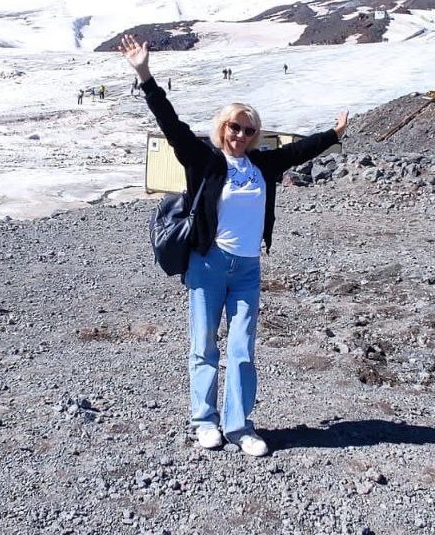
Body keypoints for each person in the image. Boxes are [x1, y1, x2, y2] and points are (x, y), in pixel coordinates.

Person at [121, 33, 348, 456]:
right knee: (204, 346)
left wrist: (333, 134)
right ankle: (204, 421)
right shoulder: (204, 159)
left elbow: (298, 151)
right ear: (222, 127)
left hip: (247, 269)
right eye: (234, 127)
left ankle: (240, 426)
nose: (240, 135)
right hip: (208, 263)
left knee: (243, 350)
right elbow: (171, 125)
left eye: (248, 129)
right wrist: (144, 74)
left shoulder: (263, 163)